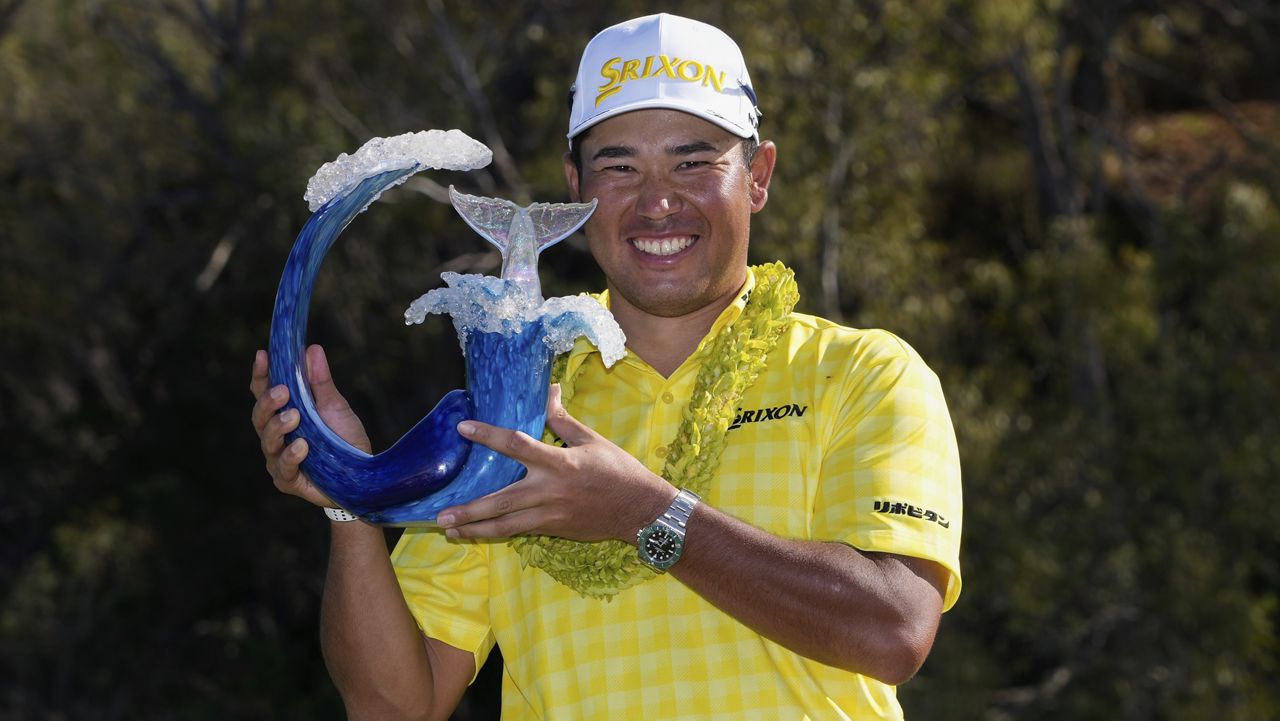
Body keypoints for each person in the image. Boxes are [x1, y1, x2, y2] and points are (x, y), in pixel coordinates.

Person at [251, 13, 962, 720]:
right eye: (620, 166)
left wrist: (647, 514)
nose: (657, 202)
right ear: (576, 185)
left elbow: (893, 628)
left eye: (693, 161)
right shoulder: (511, 408)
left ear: (758, 175)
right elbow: (392, 706)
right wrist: (348, 495)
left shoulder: (865, 373)